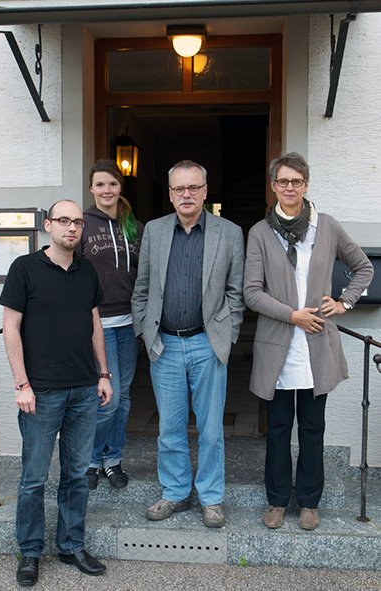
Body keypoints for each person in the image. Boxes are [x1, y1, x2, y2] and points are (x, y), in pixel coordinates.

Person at [243, 152, 373, 531]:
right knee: (279, 427)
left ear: (306, 185)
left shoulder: (326, 226)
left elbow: (363, 266)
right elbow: (252, 292)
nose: (289, 188)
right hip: (278, 344)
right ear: (273, 186)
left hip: (317, 344)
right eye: (282, 181)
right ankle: (277, 500)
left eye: (296, 181)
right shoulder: (260, 233)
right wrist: (291, 314)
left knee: (313, 428)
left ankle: (310, 502)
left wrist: (344, 300)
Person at [0, 200, 113, 587]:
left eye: (78, 222)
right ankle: (30, 552)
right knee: (33, 478)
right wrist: (21, 384)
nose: (72, 228)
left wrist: (103, 374)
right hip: (41, 393)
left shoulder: (87, 271)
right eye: (64, 221)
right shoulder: (25, 269)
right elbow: (10, 328)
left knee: (77, 475)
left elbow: (95, 324)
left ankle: (70, 545)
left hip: (83, 389)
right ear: (48, 225)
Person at [131, 159, 245, 528]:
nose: (186, 195)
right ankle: (175, 492)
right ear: (169, 194)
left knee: (212, 429)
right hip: (164, 344)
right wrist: (144, 334)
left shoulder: (229, 233)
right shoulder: (155, 231)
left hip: (207, 344)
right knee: (170, 427)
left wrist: (226, 336)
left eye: (193, 187)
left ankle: (211, 497)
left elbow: (235, 293)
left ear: (205, 192)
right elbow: (142, 288)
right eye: (179, 188)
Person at [78, 159, 143, 490]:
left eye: (113, 184)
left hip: (129, 323)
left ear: (121, 187)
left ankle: (113, 459)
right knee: (106, 398)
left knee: (125, 396)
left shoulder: (133, 225)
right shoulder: (82, 225)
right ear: (91, 188)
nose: (107, 190)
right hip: (97, 325)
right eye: (100, 184)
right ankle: (90, 459)